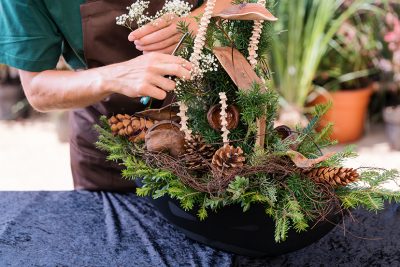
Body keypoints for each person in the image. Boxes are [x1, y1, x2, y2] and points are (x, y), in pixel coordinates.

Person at [0, 0, 231, 191]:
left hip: (220, 136)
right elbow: (38, 88)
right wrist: (115, 76)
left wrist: (201, 19)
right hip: (110, 151)